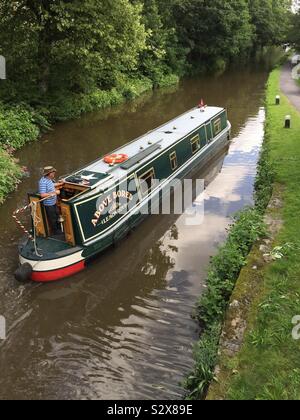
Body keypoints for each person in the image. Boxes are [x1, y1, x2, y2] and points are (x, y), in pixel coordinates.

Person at [39, 166, 64, 235]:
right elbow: (42, 195)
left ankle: (59, 229)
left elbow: (52, 185)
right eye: (53, 172)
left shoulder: (49, 179)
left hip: (54, 202)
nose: (54, 174)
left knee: (57, 214)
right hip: (49, 204)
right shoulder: (43, 182)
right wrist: (55, 192)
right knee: (53, 218)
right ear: (49, 173)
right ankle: (56, 232)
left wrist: (60, 183)